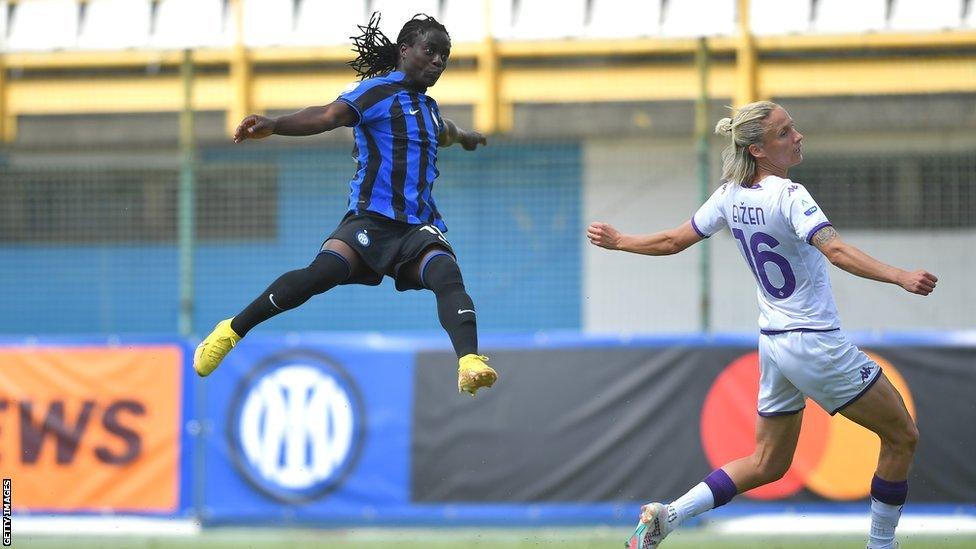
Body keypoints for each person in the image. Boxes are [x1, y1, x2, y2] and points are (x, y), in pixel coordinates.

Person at [587, 101, 936, 549]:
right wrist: (900, 276)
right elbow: (836, 251)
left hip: (774, 345)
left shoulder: (729, 195)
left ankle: (668, 516)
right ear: (758, 149)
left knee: (768, 462)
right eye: (785, 132)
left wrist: (620, 241)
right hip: (814, 343)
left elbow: (674, 241)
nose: (798, 136)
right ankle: (881, 545)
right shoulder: (790, 195)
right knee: (902, 435)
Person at [193, 12, 497, 396]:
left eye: (444, 56)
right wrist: (275, 124)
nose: (438, 61)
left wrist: (469, 137)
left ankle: (468, 362)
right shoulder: (375, 94)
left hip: (416, 227)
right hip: (370, 220)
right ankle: (230, 331)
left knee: (446, 275)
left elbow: (446, 132)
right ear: (405, 51)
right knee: (319, 275)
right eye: (430, 51)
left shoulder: (429, 109)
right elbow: (326, 115)